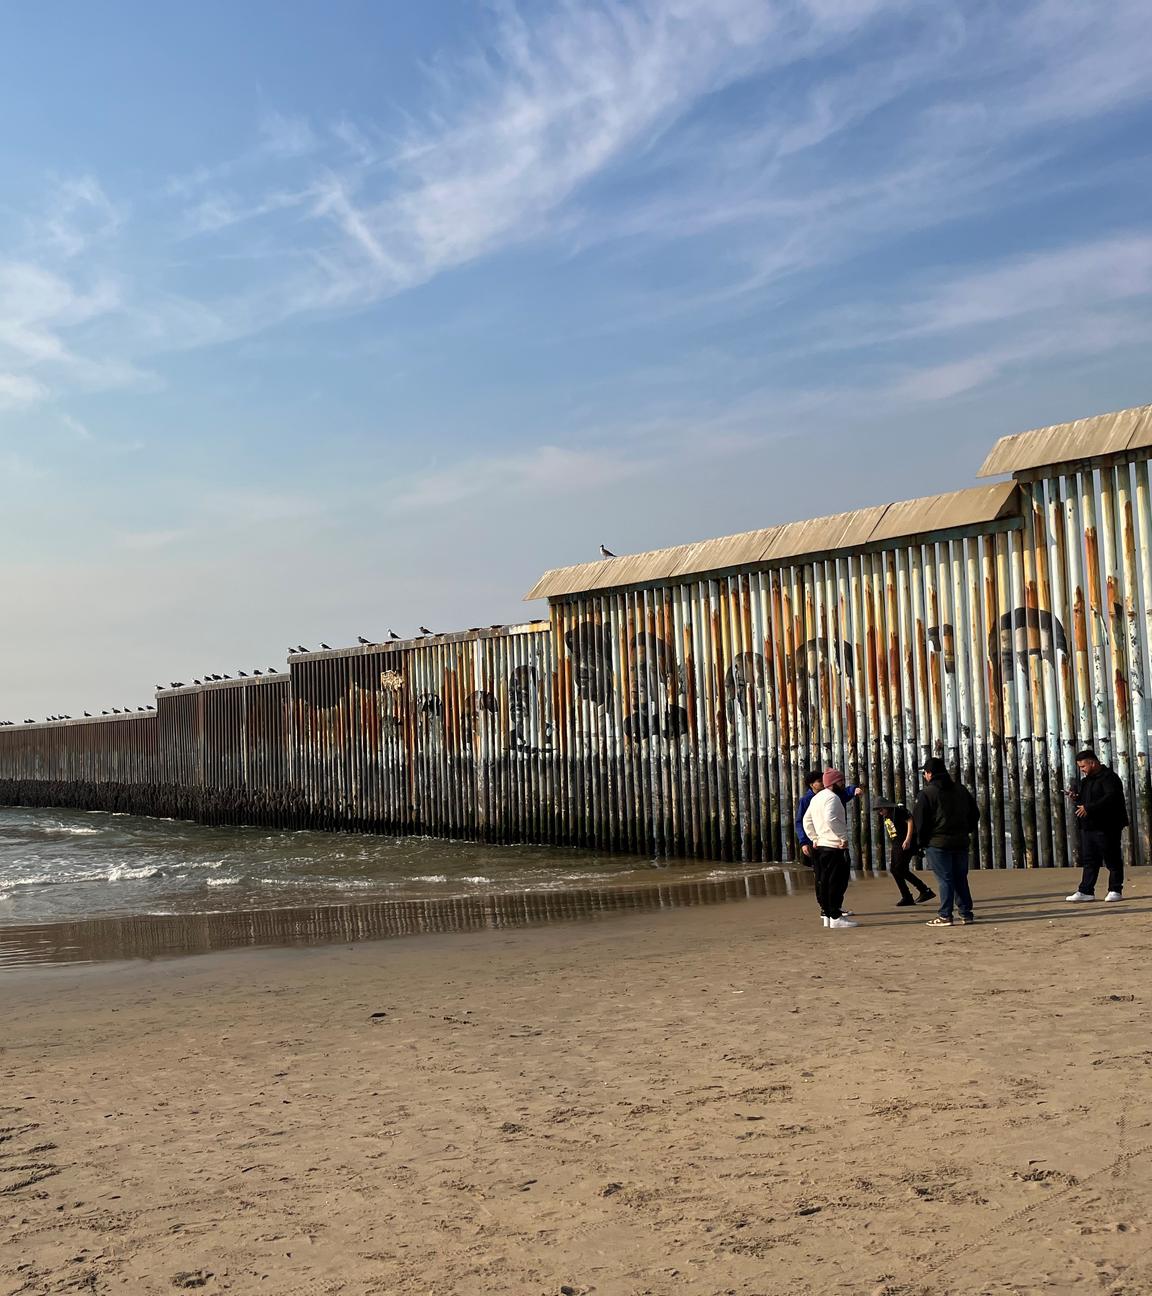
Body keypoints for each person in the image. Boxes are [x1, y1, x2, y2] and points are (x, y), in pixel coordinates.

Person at [913, 757, 980, 927]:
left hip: (938, 843)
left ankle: (945, 915)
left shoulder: (927, 794)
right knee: (960, 878)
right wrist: (966, 830)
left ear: (929, 774)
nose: (925, 776)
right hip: (960, 841)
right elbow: (975, 814)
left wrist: (920, 843)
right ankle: (966, 913)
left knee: (945, 879)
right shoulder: (960, 790)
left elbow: (919, 822)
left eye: (925, 773)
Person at [1065, 749, 1129, 902]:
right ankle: (1086, 891)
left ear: (1092, 763)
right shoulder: (1086, 780)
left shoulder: (1110, 778)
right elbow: (1085, 800)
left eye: (1083, 766)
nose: (1082, 770)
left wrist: (1089, 808)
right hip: (1089, 826)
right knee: (1089, 860)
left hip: (1108, 825)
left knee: (1111, 858)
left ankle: (1115, 890)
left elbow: (1111, 798)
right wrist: (1076, 798)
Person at [802, 770, 857, 929]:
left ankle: (826, 915)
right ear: (834, 783)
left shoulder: (817, 797)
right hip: (833, 846)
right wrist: (842, 837)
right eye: (841, 782)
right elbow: (831, 818)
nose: (843, 785)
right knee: (836, 882)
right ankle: (835, 917)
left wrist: (814, 838)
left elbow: (807, 820)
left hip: (820, 847)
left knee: (823, 881)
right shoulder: (832, 798)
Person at [872, 799, 935, 907]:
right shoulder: (888, 815)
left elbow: (910, 821)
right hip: (897, 844)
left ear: (886, 807)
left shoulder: (898, 811)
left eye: (880, 809)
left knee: (900, 869)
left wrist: (908, 839)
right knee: (895, 869)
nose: (879, 812)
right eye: (878, 810)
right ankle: (908, 896)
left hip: (905, 844)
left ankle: (923, 890)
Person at [796, 767, 864, 860]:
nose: (823, 783)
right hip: (818, 842)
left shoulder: (831, 795)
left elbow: (844, 793)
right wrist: (804, 842)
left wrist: (853, 790)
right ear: (812, 785)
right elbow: (801, 822)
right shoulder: (806, 800)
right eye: (820, 781)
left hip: (826, 842)